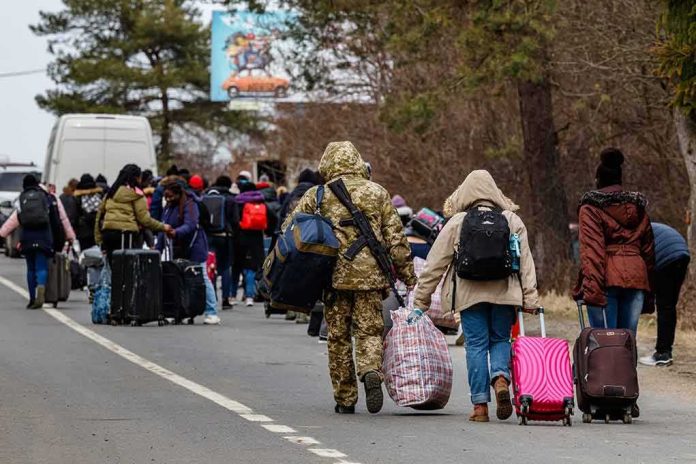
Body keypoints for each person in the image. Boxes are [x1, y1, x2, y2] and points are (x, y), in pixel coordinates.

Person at [284, 141, 416, 415]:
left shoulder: (317, 195)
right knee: (369, 330)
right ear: (357, 161)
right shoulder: (377, 193)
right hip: (370, 277)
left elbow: (290, 229)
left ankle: (345, 397)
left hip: (331, 276)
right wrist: (408, 275)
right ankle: (370, 370)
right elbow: (396, 240)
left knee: (338, 336)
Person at [413, 170, 539, 423]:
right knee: (500, 339)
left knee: (476, 345)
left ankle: (480, 406)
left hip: (469, 293)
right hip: (505, 292)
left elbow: (434, 264)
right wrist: (530, 298)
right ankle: (501, 378)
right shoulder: (512, 220)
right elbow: (526, 263)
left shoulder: (458, 222)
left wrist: (421, 300)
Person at [574, 148, 655, 336]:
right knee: (627, 343)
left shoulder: (591, 208)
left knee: (605, 343)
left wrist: (592, 291)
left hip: (606, 280)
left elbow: (592, 252)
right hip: (637, 278)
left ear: (598, 181)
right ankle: (628, 367)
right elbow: (649, 252)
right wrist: (650, 291)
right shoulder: (639, 208)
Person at [0, 175, 76, 308]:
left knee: (30, 268)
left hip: (27, 237)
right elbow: (58, 220)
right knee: (41, 266)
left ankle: (32, 298)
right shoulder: (47, 197)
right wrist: (65, 238)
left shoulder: (22, 199)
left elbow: (14, 219)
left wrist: (2, 233)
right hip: (44, 236)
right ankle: (41, 288)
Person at [158, 182, 220, 325]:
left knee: (202, 277)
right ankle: (183, 311)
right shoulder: (169, 207)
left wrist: (176, 232)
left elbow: (191, 225)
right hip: (179, 247)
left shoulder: (191, 205)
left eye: (170, 196)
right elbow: (163, 227)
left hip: (195, 246)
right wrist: (158, 248)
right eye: (166, 197)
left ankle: (212, 312)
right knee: (179, 280)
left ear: (178, 194)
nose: (167, 199)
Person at [95, 164, 170, 265]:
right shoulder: (136, 194)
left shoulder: (111, 192)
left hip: (108, 235)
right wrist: (163, 227)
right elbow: (144, 220)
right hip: (126, 235)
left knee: (115, 271)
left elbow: (99, 217)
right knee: (127, 270)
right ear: (136, 178)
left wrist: (99, 240)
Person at [640, 223, 690, 367]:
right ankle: (665, 352)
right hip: (682, 255)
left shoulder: (636, 232)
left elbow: (644, 264)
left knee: (664, 306)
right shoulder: (649, 226)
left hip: (666, 258)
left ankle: (662, 354)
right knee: (668, 306)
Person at [277, 168, 321, 323]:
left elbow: (281, 217)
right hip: (311, 238)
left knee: (292, 274)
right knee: (308, 276)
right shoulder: (317, 194)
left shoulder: (291, 195)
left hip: (291, 238)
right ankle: (304, 313)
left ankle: (290, 309)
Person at [232, 178, 277, 306]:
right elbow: (273, 218)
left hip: (240, 237)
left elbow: (234, 220)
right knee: (253, 267)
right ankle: (251, 296)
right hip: (256, 237)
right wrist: (268, 230)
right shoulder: (260, 201)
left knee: (237, 266)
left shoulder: (238, 202)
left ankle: (232, 295)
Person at [203, 175, 239, 309]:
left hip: (208, 236)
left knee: (210, 266)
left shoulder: (205, 198)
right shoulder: (230, 199)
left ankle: (212, 296)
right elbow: (235, 221)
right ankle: (226, 298)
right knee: (225, 267)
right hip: (224, 237)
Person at [73, 174, 104, 250]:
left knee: (85, 255)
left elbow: (75, 216)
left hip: (84, 232)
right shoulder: (99, 195)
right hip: (98, 231)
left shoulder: (78, 198)